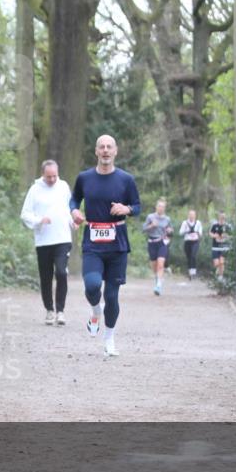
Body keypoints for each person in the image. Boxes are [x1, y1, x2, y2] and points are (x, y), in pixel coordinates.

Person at [70, 134, 141, 357]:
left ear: (115, 151)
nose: (106, 150)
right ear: (96, 151)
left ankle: (109, 339)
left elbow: (137, 206)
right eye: (102, 147)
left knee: (111, 296)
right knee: (92, 286)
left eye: (109, 147)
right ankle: (95, 311)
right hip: (93, 243)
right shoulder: (84, 178)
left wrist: (127, 209)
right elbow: (74, 199)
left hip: (117, 246)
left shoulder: (126, 179)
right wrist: (74, 211)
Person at [21, 160, 73, 326]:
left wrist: (73, 221)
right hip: (43, 240)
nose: (52, 180)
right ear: (43, 174)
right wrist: (39, 220)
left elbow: (69, 208)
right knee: (46, 276)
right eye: (49, 176)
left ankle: (60, 311)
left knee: (61, 273)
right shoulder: (35, 189)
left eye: (54, 176)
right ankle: (49, 310)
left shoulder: (64, 186)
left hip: (63, 238)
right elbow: (25, 214)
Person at [142, 199, 173, 296]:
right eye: (159, 206)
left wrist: (170, 230)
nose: (161, 208)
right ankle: (157, 278)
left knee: (160, 264)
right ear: (156, 207)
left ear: (165, 208)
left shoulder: (167, 219)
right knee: (154, 265)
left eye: (163, 207)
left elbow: (170, 230)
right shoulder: (150, 217)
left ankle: (159, 285)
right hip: (152, 242)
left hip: (162, 242)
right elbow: (143, 229)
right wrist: (151, 225)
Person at [179, 209, 203, 280]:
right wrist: (187, 231)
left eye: (193, 215)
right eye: (190, 215)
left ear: (195, 215)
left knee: (193, 255)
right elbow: (180, 232)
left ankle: (194, 272)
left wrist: (197, 233)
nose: (192, 216)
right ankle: (190, 272)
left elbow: (200, 232)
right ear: (188, 215)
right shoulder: (185, 223)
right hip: (187, 242)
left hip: (195, 242)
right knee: (189, 257)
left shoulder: (198, 223)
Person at [209, 212, 231, 279]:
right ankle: (218, 270)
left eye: (223, 216)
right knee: (216, 263)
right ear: (219, 217)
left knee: (221, 262)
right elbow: (210, 233)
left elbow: (231, 235)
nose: (222, 217)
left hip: (224, 247)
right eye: (221, 216)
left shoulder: (227, 226)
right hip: (215, 247)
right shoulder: (214, 225)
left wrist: (226, 236)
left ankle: (221, 277)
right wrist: (214, 236)